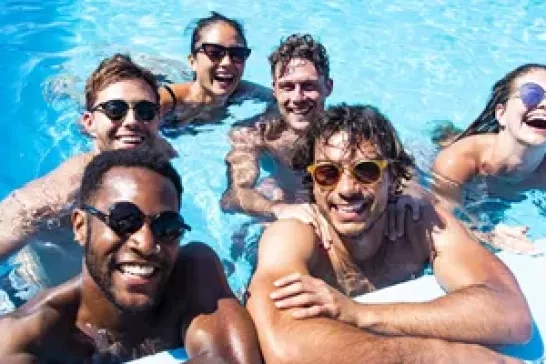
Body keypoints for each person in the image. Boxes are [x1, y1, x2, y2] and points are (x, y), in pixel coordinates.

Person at [246, 104, 532, 363]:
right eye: (328, 173)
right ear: (312, 181)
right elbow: (286, 347)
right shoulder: (294, 235)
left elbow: (511, 315)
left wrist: (361, 314)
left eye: (366, 171)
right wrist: (444, 357)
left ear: (393, 178)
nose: (346, 190)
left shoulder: (420, 224)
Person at [0, 149, 262, 363]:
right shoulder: (27, 337)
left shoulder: (192, 270)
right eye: (124, 220)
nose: (146, 244)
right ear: (80, 227)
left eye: (167, 227)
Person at [0, 53, 175, 290]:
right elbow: (17, 213)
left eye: (145, 111)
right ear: (89, 123)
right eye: (115, 109)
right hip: (32, 294)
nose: (132, 121)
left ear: (157, 119)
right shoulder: (72, 184)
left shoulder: (157, 151)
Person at [432, 63, 546, 254]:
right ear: (501, 114)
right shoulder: (457, 162)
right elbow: (442, 226)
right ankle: (444, 134)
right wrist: (488, 237)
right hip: (440, 171)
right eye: (531, 94)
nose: (544, 104)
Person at [221, 33, 333, 219]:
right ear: (274, 90)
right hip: (280, 199)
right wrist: (278, 208)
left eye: (308, 86)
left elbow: (395, 171)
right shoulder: (254, 133)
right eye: (287, 87)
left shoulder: (347, 132)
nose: (297, 98)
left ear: (328, 87)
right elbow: (233, 197)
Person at [159, 11, 272, 127]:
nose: (227, 63)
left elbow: (280, 99)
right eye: (214, 52)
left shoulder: (242, 91)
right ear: (193, 61)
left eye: (237, 53)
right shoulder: (166, 101)